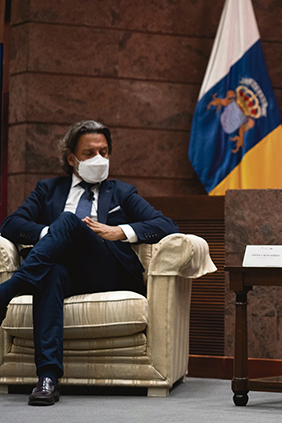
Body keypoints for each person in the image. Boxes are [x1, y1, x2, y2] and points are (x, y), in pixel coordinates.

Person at [0, 120, 178, 406]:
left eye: (104, 152)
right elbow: (11, 224)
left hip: (108, 271)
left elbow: (167, 225)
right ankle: (47, 378)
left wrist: (118, 231)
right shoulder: (48, 190)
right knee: (53, 268)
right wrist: (53, 234)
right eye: (89, 153)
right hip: (63, 272)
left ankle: (9, 290)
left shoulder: (122, 192)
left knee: (69, 221)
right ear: (71, 158)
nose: (99, 159)